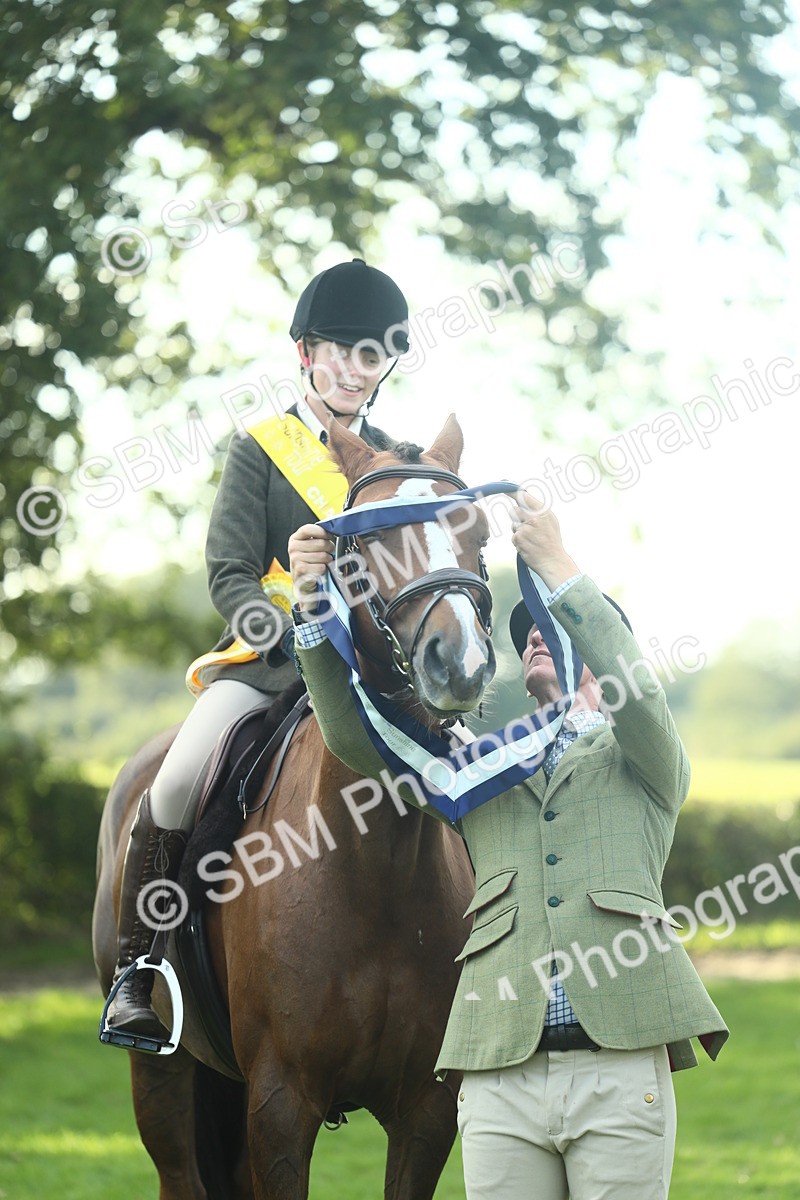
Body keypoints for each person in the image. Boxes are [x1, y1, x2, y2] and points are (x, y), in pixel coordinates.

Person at [287, 490, 729, 1200]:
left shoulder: (644, 760)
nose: (534, 635)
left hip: (618, 1069)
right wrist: (310, 602)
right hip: (497, 1074)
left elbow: (639, 693)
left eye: (554, 627)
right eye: (522, 629)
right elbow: (352, 738)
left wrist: (556, 563)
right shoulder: (475, 772)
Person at [104, 257, 411, 1039]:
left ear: (383, 369)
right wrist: (287, 624)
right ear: (306, 355)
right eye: (339, 351)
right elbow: (229, 571)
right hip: (269, 667)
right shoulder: (262, 449)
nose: (354, 368)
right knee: (172, 784)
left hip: (370, 671)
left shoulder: (397, 461)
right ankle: (139, 969)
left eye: (370, 355)